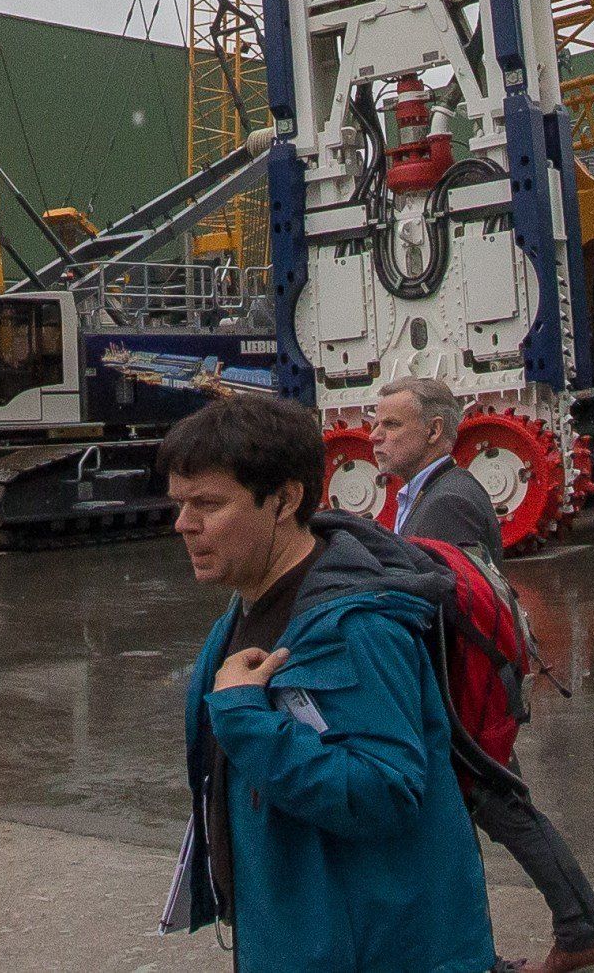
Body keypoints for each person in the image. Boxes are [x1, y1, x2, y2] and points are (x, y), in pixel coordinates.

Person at [164, 389, 497, 973]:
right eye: (180, 503)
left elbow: (385, 790)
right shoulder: (244, 611)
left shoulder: (358, 628)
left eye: (208, 504)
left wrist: (245, 719)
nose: (182, 524)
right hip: (299, 934)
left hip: (377, 950)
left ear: (284, 500)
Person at [370, 377, 594, 973]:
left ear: (434, 431)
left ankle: (577, 933)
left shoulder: (448, 499)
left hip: (467, 689)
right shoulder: (425, 493)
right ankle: (547, 936)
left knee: (497, 806)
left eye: (391, 425)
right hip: (469, 686)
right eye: (376, 424)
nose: (375, 437)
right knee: (481, 812)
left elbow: (446, 601)